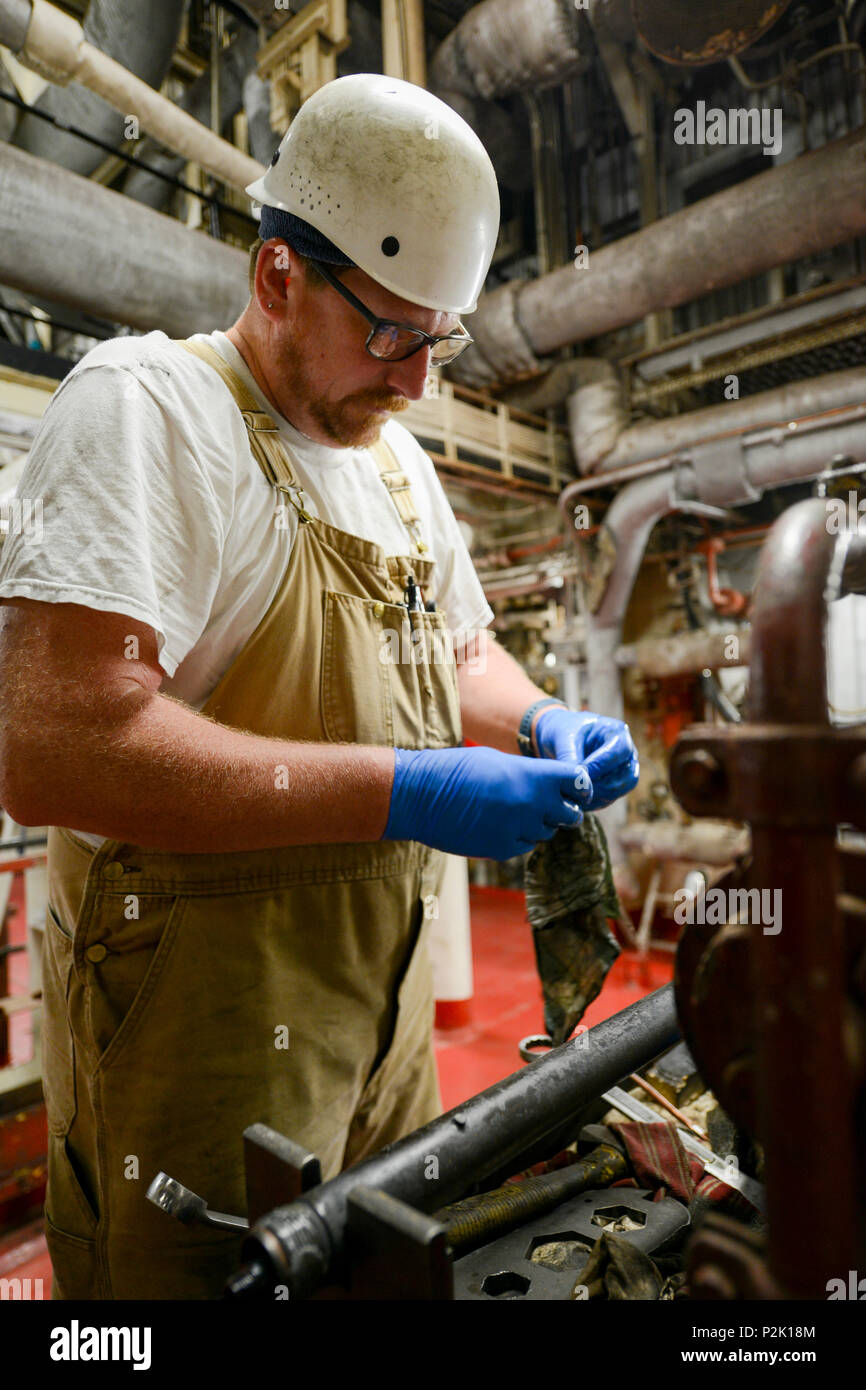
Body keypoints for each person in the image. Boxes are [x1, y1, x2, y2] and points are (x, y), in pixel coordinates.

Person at [0, 73, 638, 1299]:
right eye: (391, 333)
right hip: (198, 1032)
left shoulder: (395, 466)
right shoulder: (152, 413)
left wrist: (540, 715)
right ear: (278, 273)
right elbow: (63, 745)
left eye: (435, 342)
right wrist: (402, 789)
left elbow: (454, 655)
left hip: (382, 1020)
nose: (412, 383)